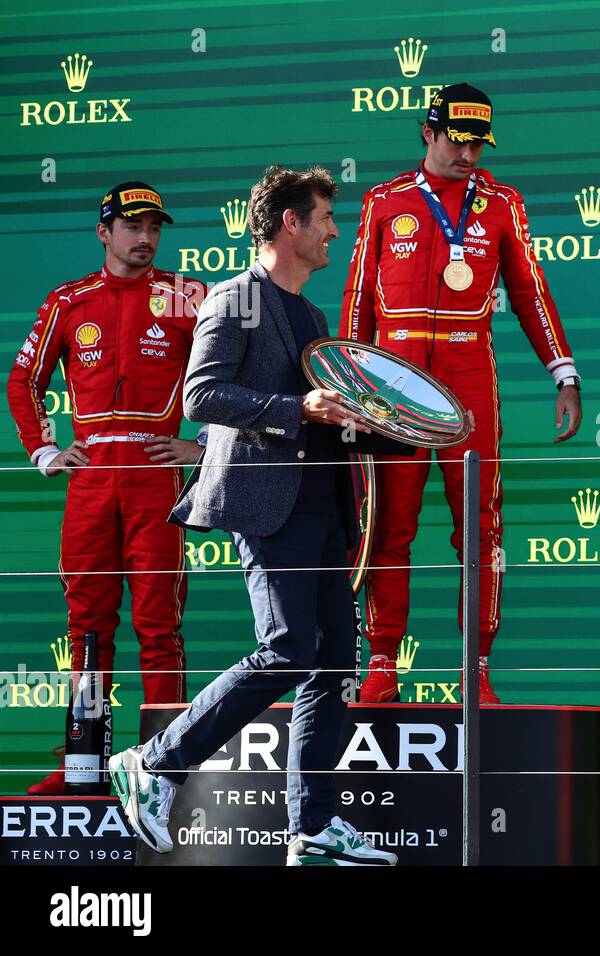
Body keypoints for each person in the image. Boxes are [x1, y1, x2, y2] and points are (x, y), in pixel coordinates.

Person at [108, 166, 396, 865]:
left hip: (325, 506)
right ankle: (155, 763)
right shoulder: (235, 298)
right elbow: (202, 396)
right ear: (290, 224)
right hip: (267, 504)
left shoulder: (313, 317)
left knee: (333, 663)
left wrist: (379, 424)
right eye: (325, 218)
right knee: (288, 649)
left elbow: (319, 417)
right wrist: (296, 409)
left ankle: (313, 827)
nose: (335, 232)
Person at [341, 82, 581, 705]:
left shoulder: (502, 203)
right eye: (456, 140)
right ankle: (382, 664)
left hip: (468, 373)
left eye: (478, 144)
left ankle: (475, 670)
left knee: (479, 527)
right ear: (428, 132)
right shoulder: (383, 200)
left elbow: (530, 292)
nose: (468, 154)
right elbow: (358, 300)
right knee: (386, 525)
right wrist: (347, 388)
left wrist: (563, 374)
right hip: (391, 382)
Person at [7, 182, 205, 795]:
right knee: (87, 626)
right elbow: (23, 380)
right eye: (132, 226)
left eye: (154, 228)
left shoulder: (187, 297)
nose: (145, 238)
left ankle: (163, 774)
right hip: (91, 477)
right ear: (104, 232)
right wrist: (44, 449)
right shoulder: (69, 301)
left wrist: (204, 446)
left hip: (155, 474)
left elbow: (235, 374)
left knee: (158, 625)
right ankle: (82, 768)